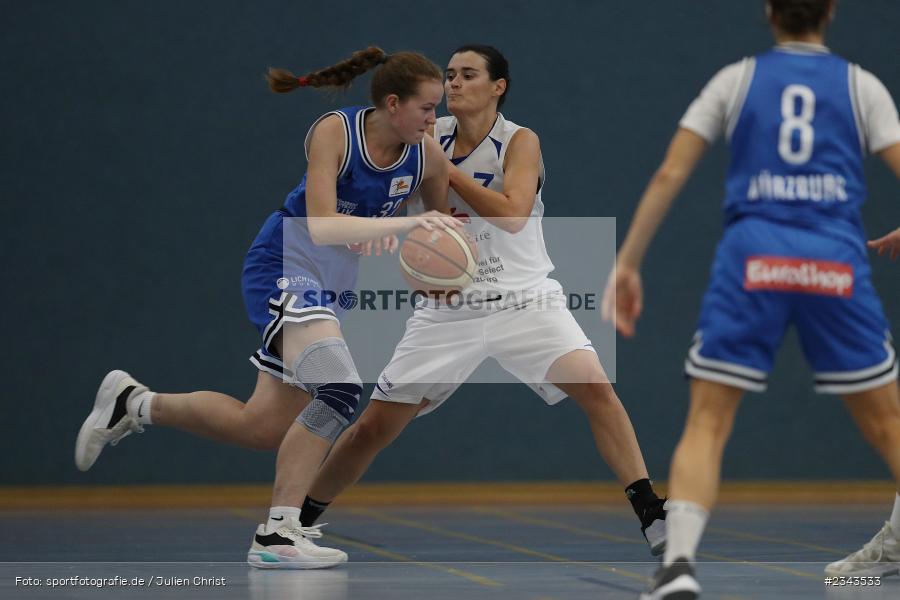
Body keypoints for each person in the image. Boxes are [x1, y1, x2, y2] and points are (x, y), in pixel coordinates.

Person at [74, 47, 462, 569]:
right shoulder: (335, 133)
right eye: (427, 108)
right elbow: (323, 224)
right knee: (341, 388)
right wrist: (396, 226)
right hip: (286, 259)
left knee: (261, 427)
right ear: (393, 104)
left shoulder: (426, 155)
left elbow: (434, 233)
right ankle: (277, 535)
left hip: (334, 283)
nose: (435, 120)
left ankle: (136, 403)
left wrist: (428, 262)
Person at [295, 45, 668, 555]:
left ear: (498, 87)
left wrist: (445, 170)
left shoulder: (518, 141)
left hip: (524, 298)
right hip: (450, 307)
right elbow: (403, 208)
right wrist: (393, 243)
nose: (454, 84)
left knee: (596, 387)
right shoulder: (424, 135)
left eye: (468, 75)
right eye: (449, 75)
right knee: (373, 428)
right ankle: (299, 519)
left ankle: (652, 512)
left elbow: (513, 215)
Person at [600, 1, 900, 597]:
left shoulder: (736, 80)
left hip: (754, 259)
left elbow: (669, 174)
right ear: (831, 12)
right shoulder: (860, 85)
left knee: (708, 421)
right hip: (833, 260)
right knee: (888, 424)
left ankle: (678, 566)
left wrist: (628, 263)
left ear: (769, 12)